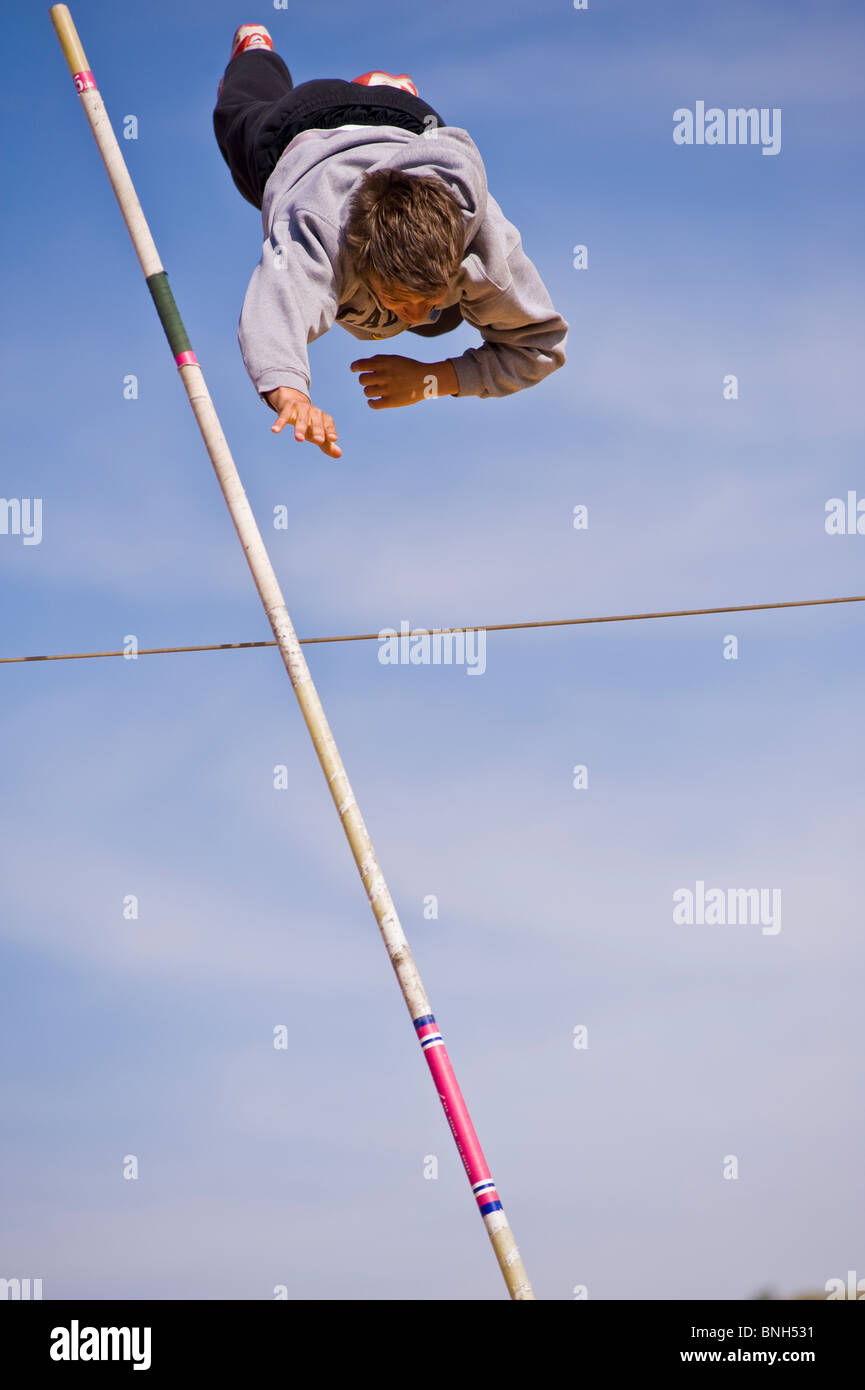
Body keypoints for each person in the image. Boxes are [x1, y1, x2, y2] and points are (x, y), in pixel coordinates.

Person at [213, 25, 568, 458]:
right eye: (401, 300)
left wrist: (432, 379)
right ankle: (257, 51)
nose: (415, 317)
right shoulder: (317, 232)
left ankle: (384, 90)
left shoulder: (485, 247)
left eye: (429, 297)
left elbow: (540, 345)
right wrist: (292, 397)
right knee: (237, 118)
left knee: (444, 321)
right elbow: (275, 312)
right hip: (302, 128)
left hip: (409, 123)